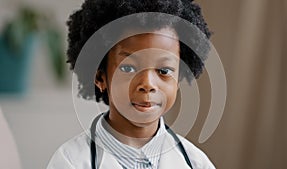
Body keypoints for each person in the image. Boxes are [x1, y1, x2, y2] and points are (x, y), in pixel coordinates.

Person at [47, 0, 215, 168]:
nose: (147, 84)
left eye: (164, 71)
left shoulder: (197, 163)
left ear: (178, 78)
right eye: (128, 68)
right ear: (100, 77)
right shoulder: (70, 162)